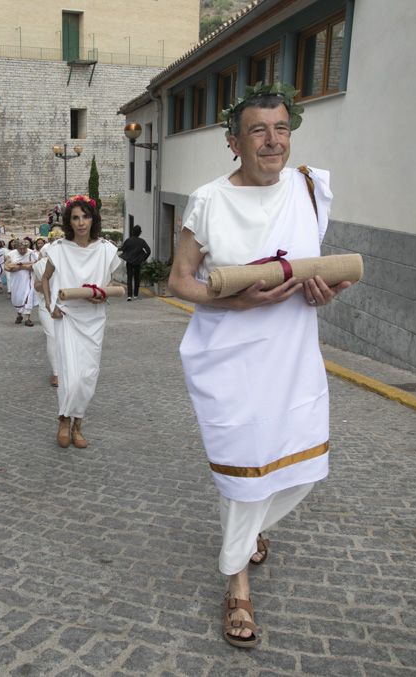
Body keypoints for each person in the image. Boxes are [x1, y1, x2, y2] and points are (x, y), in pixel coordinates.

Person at [167, 83, 351, 649]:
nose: (273, 142)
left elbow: (313, 272)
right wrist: (235, 300)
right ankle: (238, 585)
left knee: (301, 468)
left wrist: (324, 293)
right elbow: (178, 281)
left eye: (281, 130)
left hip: (292, 353)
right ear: (233, 142)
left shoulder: (309, 189)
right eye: (258, 131)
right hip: (229, 357)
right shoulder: (209, 200)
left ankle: (253, 533)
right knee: (243, 468)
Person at [40, 195, 123, 449]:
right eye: (75, 218)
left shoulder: (107, 250)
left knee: (88, 376)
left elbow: (113, 282)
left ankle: (78, 423)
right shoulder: (59, 249)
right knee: (71, 375)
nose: (80, 222)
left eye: (85, 217)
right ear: (69, 221)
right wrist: (49, 304)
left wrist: (103, 294)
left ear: (93, 219)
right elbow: (45, 279)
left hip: (94, 320)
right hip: (66, 317)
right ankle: (64, 420)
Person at [32, 233, 61, 386]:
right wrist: (47, 287)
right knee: (52, 337)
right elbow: (36, 285)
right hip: (46, 305)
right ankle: (56, 372)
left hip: (68, 304)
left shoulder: (70, 261)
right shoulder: (40, 265)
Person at [6, 237, 38, 325]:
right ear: (16, 247)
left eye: (25, 248)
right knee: (17, 298)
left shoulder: (32, 253)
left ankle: (28, 318)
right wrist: (18, 266)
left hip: (28, 279)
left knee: (28, 296)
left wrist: (21, 266)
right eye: (20, 249)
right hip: (16, 280)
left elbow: (36, 264)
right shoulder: (11, 254)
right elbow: (7, 266)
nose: (23, 251)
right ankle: (19, 314)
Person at [119, 225, 152, 300]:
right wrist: (143, 258)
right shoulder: (142, 241)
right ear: (140, 233)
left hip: (129, 262)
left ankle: (129, 295)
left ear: (132, 232)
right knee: (137, 278)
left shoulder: (128, 240)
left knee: (129, 278)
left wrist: (128, 254)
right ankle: (136, 294)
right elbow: (148, 251)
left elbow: (123, 249)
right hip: (138, 262)